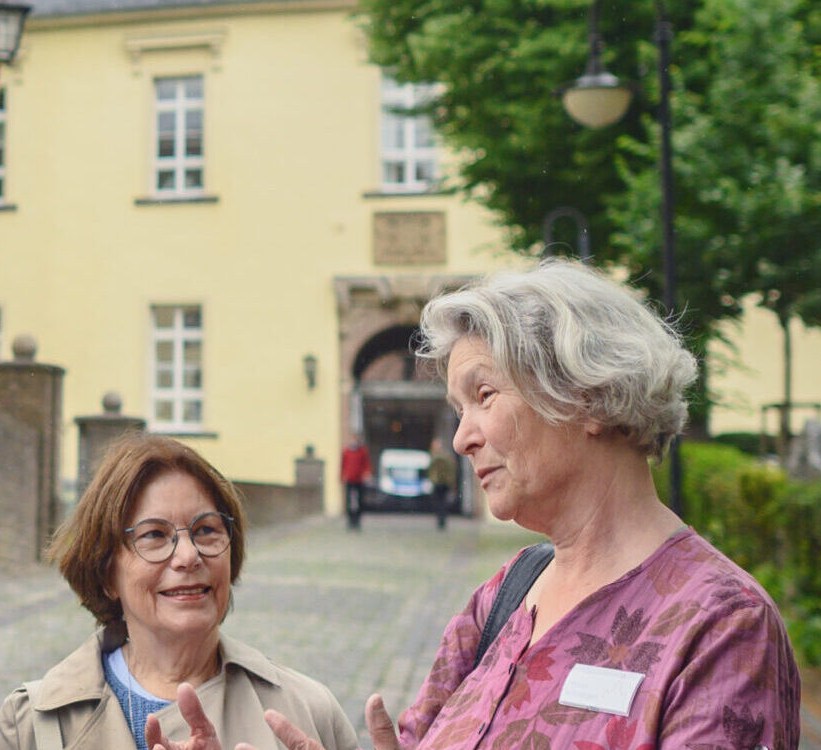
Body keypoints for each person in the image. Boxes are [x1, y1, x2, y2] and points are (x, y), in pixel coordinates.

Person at [246, 259, 802, 750]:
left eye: (483, 395)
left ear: (588, 395)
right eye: (458, 409)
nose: (463, 437)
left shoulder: (723, 626)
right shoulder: (504, 595)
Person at [0, 433, 357, 750]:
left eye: (206, 530)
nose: (188, 556)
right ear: (106, 573)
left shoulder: (307, 711)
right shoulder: (32, 725)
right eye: (154, 535)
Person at [341, 441, 371, 529]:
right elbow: (343, 465)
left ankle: (357, 520)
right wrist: (342, 476)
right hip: (350, 479)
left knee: (360, 500)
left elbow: (366, 464)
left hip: (359, 479)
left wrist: (367, 473)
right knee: (349, 501)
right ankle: (350, 520)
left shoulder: (362, 452)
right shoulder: (346, 452)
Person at [425, 440, 454, 531]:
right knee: (443, 503)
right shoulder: (446, 457)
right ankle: (442, 521)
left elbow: (430, 470)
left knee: (438, 503)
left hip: (437, 482)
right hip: (444, 482)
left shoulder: (434, 457)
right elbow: (451, 469)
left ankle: (440, 521)